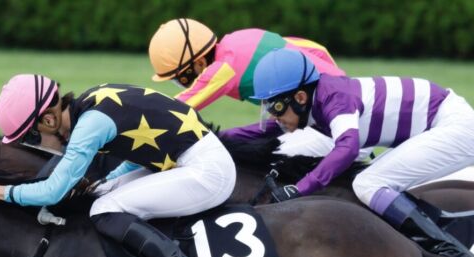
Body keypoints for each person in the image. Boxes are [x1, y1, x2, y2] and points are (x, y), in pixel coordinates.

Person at [0, 74, 236, 257]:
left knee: (103, 210)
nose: (33, 146)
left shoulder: (90, 126)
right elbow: (141, 146)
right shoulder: (91, 101)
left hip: (207, 172)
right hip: (187, 158)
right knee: (102, 193)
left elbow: (53, 191)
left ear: (48, 120)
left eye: (31, 138)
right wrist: (109, 181)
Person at [224, 48, 474, 257]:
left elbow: (348, 147)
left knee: (368, 183)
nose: (273, 115)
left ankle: (451, 254)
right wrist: (215, 137)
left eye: (276, 107)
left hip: (457, 128)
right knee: (368, 181)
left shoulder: (334, 99)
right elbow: (263, 131)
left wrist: (299, 188)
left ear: (300, 98)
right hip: (441, 122)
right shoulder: (313, 101)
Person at [147, 18, 344, 156]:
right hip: (338, 96)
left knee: (253, 153)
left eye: (180, 79)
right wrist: (339, 79)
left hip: (325, 118)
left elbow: (174, 109)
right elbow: (317, 49)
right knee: (227, 138)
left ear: (199, 63)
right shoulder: (240, 38)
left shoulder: (223, 68)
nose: (183, 84)